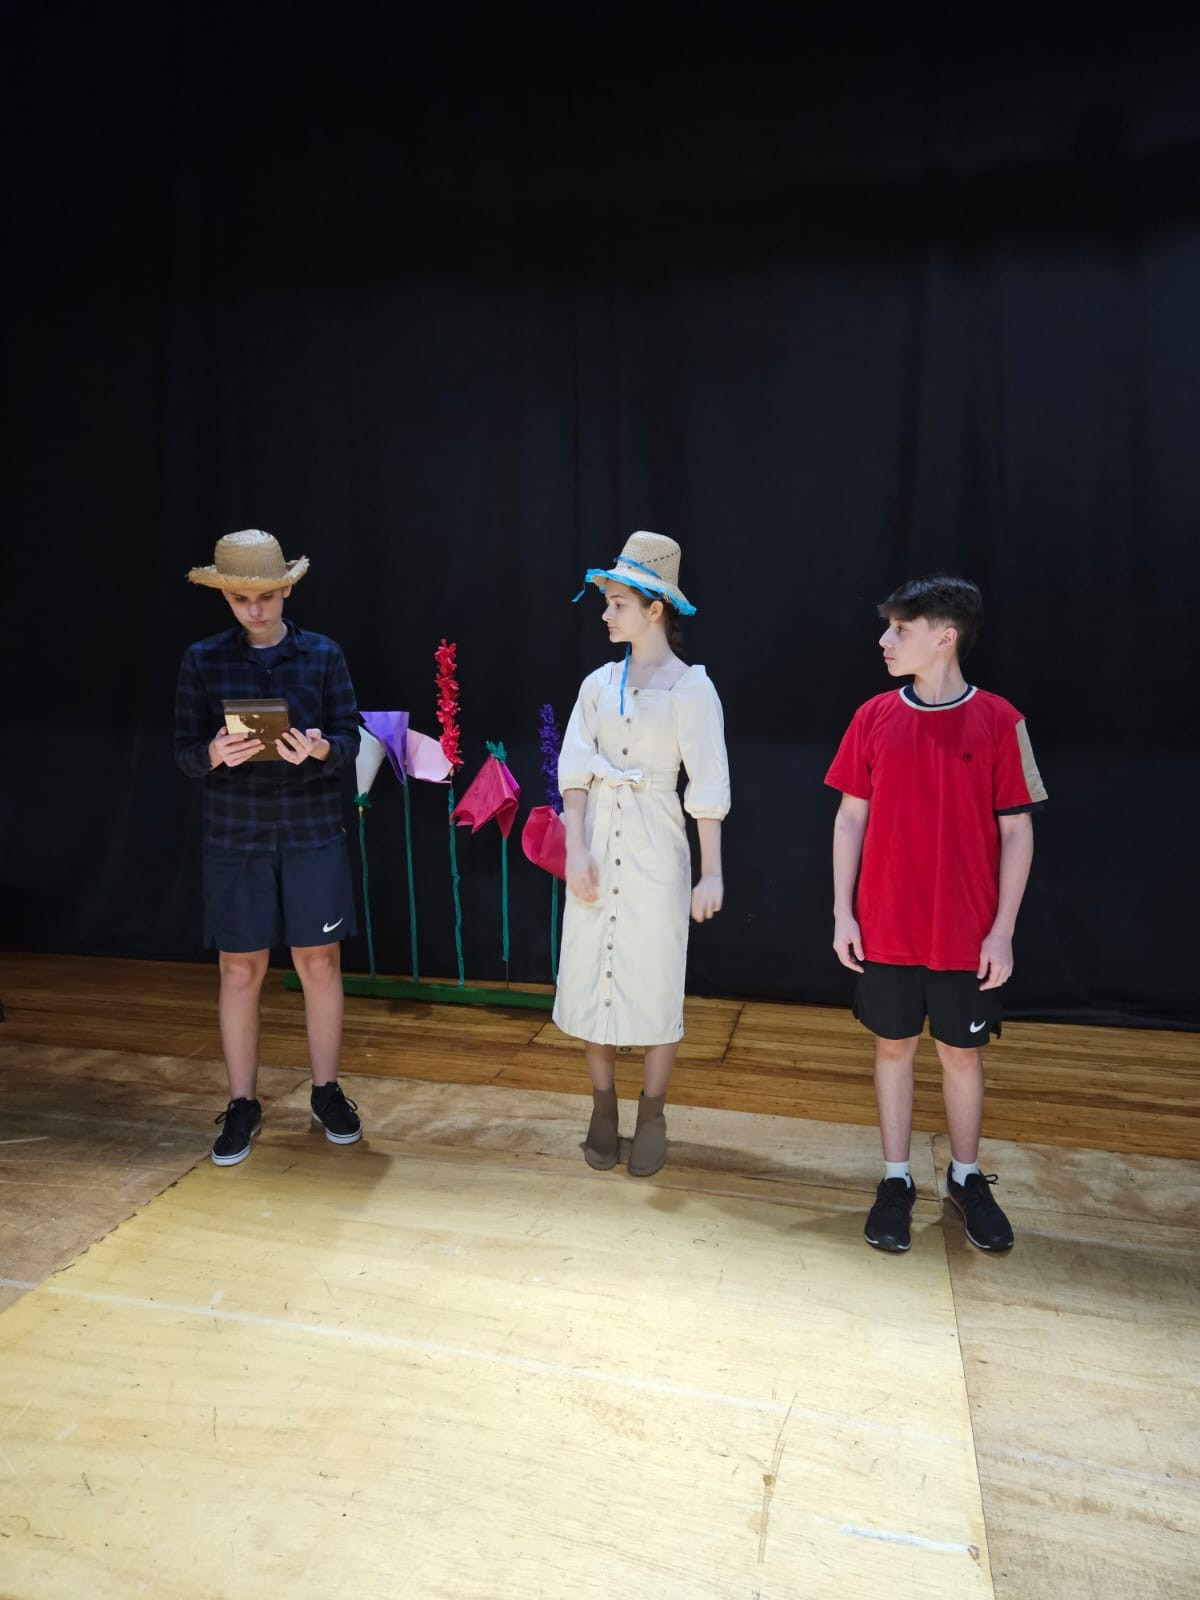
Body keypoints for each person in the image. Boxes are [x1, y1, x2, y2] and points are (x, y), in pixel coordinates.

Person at [825, 574, 1047, 1253]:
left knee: (961, 1054)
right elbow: (849, 820)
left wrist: (1002, 931)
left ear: (944, 637)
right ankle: (896, 1179)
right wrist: (843, 913)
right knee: (892, 1046)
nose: (884, 640)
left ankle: (965, 1176)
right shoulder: (872, 717)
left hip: (965, 933)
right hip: (886, 925)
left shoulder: (1003, 721)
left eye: (900, 629)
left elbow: (1018, 830)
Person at [175, 529, 363, 1165]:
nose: (254, 609)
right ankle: (242, 1103)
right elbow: (183, 751)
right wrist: (212, 753)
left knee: (319, 963)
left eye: (265, 596)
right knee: (239, 969)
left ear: (286, 590)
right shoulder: (203, 659)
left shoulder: (323, 655)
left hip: (311, 830)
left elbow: (349, 741)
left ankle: (327, 1091)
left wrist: (319, 748)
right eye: (239, 599)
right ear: (225, 598)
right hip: (236, 834)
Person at [556, 531, 731, 1177]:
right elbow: (574, 772)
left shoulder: (692, 690)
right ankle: (602, 1108)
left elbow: (708, 786)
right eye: (607, 602)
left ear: (655, 609)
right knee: (592, 977)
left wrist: (711, 874)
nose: (606, 614)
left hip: (658, 847)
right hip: (599, 844)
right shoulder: (597, 685)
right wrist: (576, 849)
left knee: (655, 982)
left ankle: (652, 1112)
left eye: (618, 603)